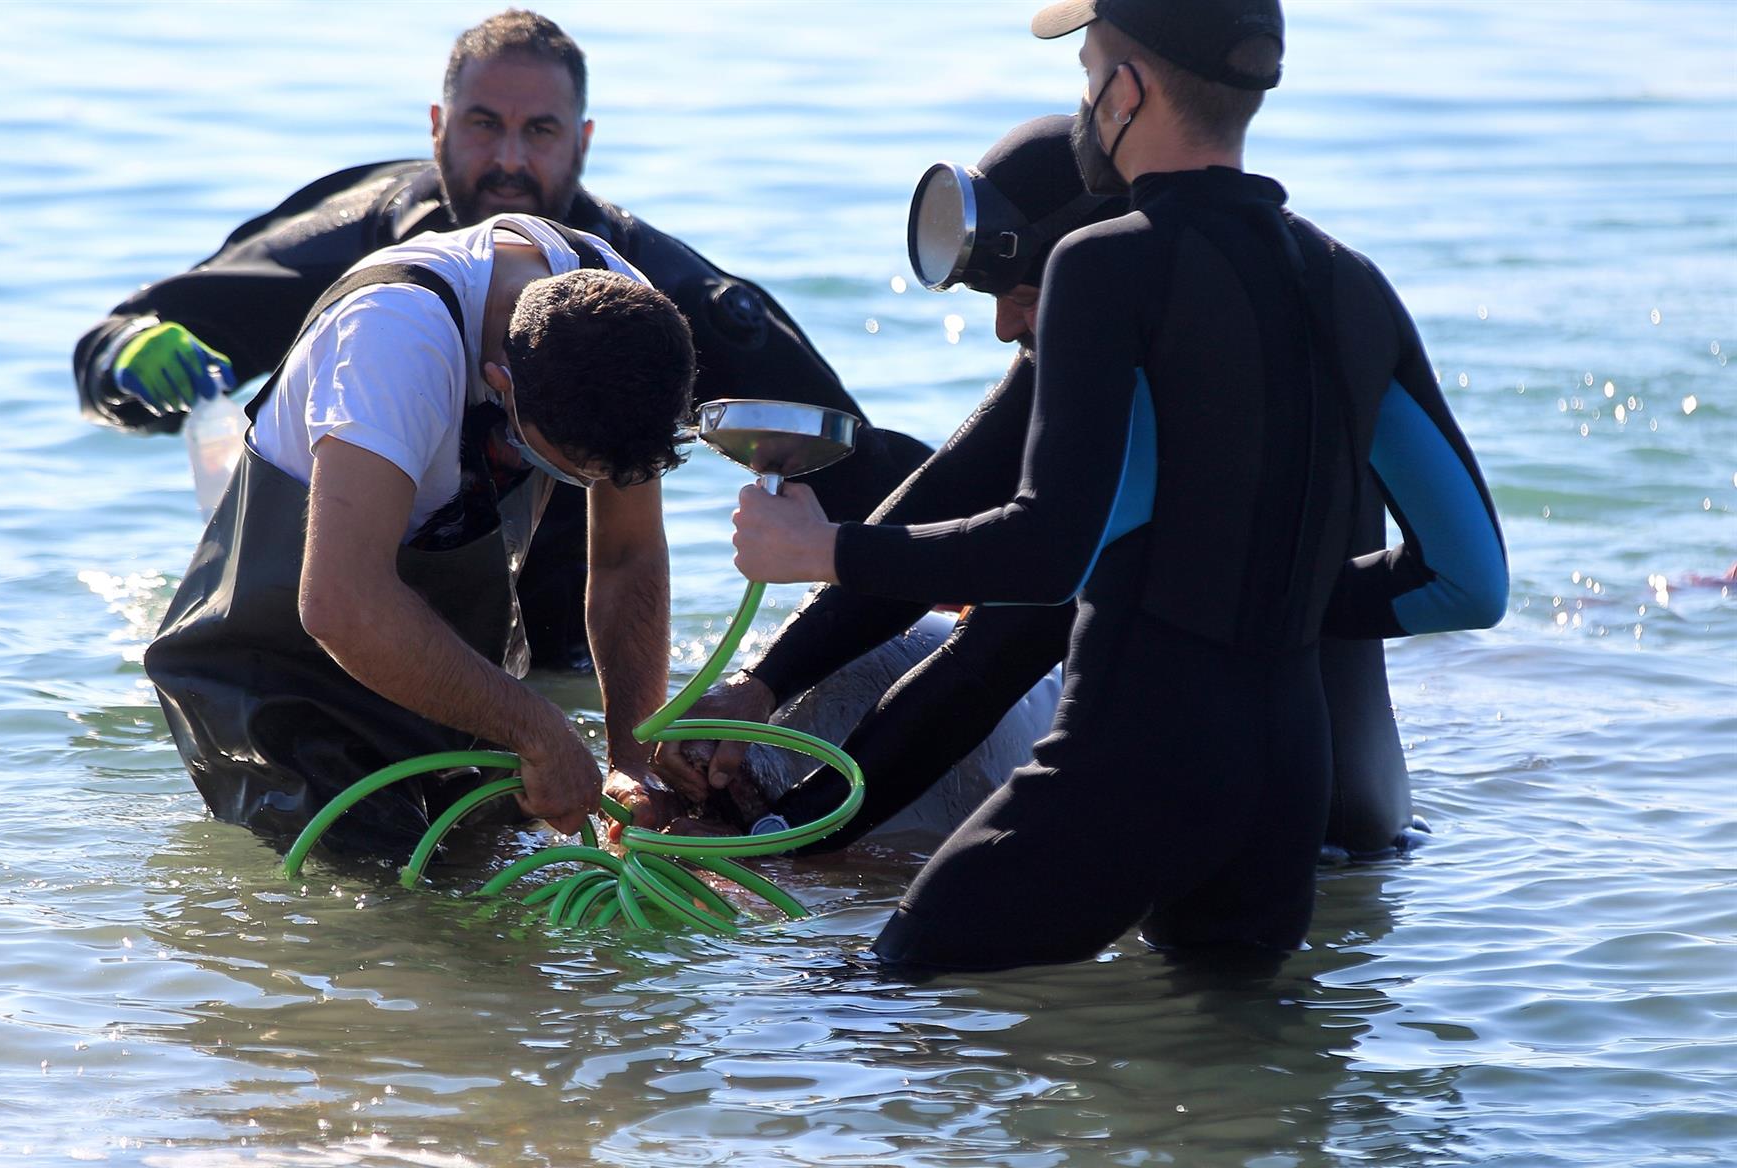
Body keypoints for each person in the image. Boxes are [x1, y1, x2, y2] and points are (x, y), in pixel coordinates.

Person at [725, 0, 1508, 971]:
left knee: (872, 1000)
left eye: (1088, 73)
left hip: (1135, 765)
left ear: (1125, 91)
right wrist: (1271, 596)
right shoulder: (1350, 286)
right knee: (1235, 1085)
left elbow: (1044, 564)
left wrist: (818, 550)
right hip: (1312, 793)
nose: (1087, 102)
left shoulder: (1108, 268)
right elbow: (1472, 581)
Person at [75, 8, 930, 669]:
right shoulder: (360, 254)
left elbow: (858, 464)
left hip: (563, 654)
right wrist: (126, 361)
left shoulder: (643, 289)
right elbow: (121, 340)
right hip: (341, 622)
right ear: (438, 128)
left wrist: (982, 562)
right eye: (484, 125)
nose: (510, 161)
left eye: (542, 132)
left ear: (583, 143)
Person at [656, 113, 1414, 858]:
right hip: (1285, 812)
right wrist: (762, 685)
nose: (1001, 328)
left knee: (891, 964)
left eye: (1021, 294)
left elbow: (992, 658)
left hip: (1288, 842)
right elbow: (932, 505)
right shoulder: (1152, 338)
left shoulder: (1178, 401)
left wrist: (775, 838)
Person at [145, 212, 695, 850]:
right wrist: (538, 729)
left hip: (442, 664)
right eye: (553, 465)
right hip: (280, 678)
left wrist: (634, 762)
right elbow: (341, 605)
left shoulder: (624, 323)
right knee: (379, 904)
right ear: (500, 383)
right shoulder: (391, 339)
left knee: (489, 890)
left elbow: (627, 558)